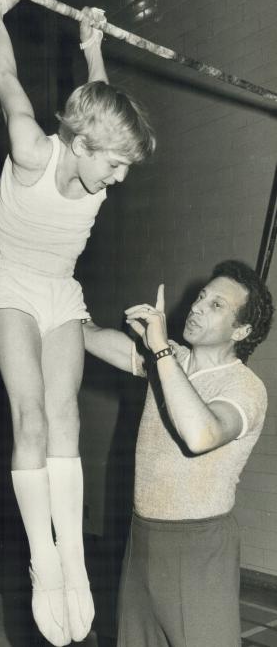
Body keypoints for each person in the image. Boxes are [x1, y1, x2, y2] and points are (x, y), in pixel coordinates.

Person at [0, 0, 156, 645]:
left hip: (60, 291)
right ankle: (44, 561)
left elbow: (102, 104)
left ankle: (74, 565)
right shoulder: (33, 151)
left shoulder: (96, 150)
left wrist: (92, 44)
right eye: (113, 167)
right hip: (13, 287)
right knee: (29, 418)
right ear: (80, 147)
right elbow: (4, 73)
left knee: (64, 419)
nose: (118, 181)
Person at [83, 259, 274, 647]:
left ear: (242, 329)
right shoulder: (170, 359)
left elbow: (201, 435)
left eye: (216, 305)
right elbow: (92, 336)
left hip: (199, 547)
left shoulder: (245, 387)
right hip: (143, 537)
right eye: (202, 296)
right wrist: (55, 296)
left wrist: (159, 351)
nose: (198, 306)